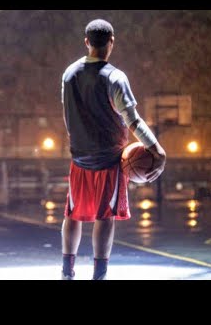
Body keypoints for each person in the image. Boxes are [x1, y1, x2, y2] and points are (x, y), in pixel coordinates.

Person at [60, 19, 166, 280]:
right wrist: (157, 150)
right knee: (104, 216)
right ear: (111, 42)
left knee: (72, 214)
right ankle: (99, 274)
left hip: (79, 157)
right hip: (109, 158)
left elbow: (67, 115)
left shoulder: (69, 74)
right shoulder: (115, 77)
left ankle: (66, 271)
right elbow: (133, 121)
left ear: (87, 42)